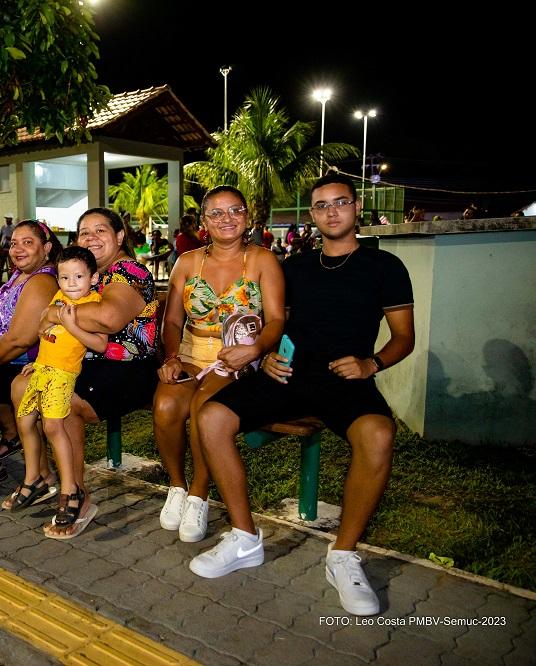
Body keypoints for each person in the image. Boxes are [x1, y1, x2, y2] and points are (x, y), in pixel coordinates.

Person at [192, 173, 415, 617]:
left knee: (378, 434)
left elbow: (404, 337)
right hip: (287, 375)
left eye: (340, 203)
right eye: (321, 205)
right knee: (212, 417)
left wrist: (371, 364)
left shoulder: (385, 266)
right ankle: (244, 537)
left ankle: (343, 555)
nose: (332, 212)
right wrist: (268, 354)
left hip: (346, 380)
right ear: (312, 215)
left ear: (356, 207)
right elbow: (274, 322)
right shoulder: (293, 267)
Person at [153, 186, 285, 543]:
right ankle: (177, 486)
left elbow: (275, 320)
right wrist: (171, 357)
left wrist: (255, 349)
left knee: (202, 406)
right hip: (190, 353)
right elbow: (172, 321)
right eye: (217, 213)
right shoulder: (188, 261)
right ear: (204, 222)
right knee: (166, 405)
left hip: (237, 357)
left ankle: (199, 493)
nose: (227, 219)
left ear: (247, 216)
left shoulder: (262, 260)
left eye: (235, 211)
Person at [27, 207, 160, 538]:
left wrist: (57, 312)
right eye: (84, 232)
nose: (90, 238)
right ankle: (50, 480)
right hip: (94, 362)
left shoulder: (128, 270)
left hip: (130, 368)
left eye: (100, 231)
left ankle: (74, 494)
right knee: (34, 386)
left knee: (64, 401)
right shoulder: (87, 277)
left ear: (118, 236)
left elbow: (109, 318)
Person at [11, 246, 106, 537]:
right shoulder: (59, 298)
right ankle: (37, 477)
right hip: (43, 369)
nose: (72, 283)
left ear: (93, 277)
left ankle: (70, 490)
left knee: (53, 426)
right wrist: (39, 359)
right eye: (65, 278)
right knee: (25, 420)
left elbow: (100, 344)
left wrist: (68, 323)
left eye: (79, 276)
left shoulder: (94, 303)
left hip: (63, 374)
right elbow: (41, 327)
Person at [0, 220, 62, 490]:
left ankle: (8, 464)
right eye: (14, 243)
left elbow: (20, 339)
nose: (17, 249)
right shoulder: (22, 275)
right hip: (8, 359)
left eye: (28, 243)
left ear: (46, 248)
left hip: (26, 363)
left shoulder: (42, 280)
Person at [0, 213, 16, 279]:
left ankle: (11, 279)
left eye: (8, 219)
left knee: (11, 265)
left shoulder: (14, 228)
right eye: (6, 219)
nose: (7, 220)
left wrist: (10, 238)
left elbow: (16, 238)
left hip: (11, 248)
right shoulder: (3, 227)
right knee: (1, 264)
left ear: (11, 219)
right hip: (3, 247)